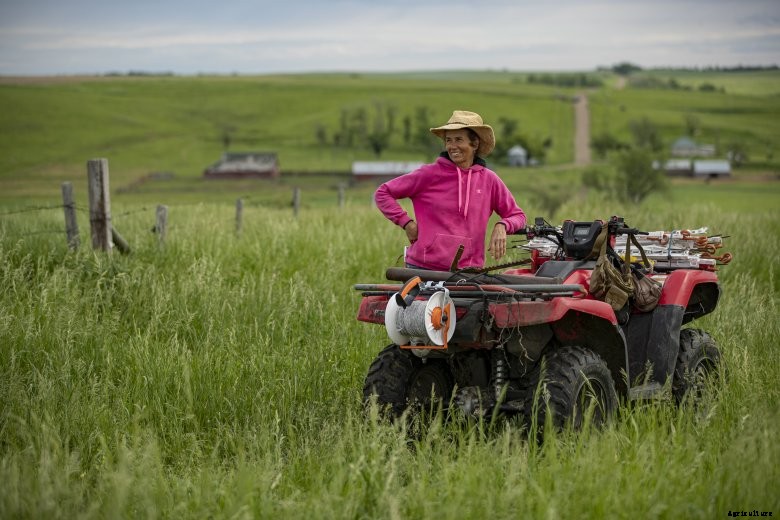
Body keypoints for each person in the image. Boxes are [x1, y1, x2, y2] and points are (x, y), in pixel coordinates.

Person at [374, 110, 527, 271]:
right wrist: (407, 224)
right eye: (448, 140)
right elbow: (383, 193)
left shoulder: (489, 180)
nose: (452, 146)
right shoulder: (429, 174)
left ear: (474, 144)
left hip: (468, 272)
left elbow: (518, 216)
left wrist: (502, 225)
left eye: (459, 140)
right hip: (423, 268)